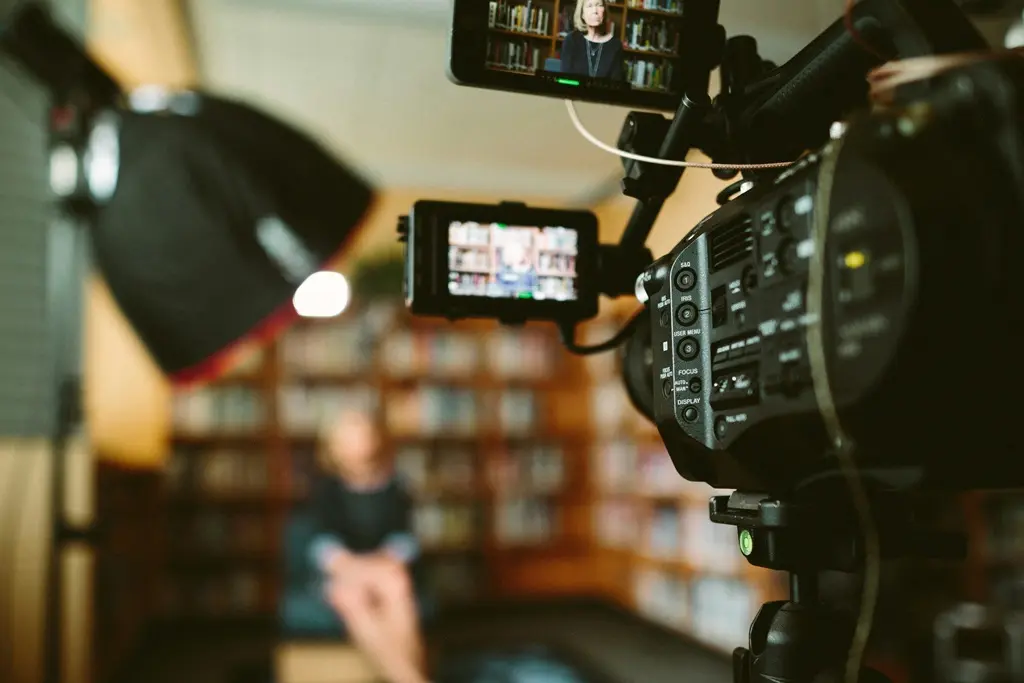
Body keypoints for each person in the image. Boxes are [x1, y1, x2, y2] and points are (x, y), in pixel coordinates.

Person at [307, 406, 430, 683]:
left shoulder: (395, 485)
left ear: (374, 438)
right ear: (333, 446)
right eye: (347, 436)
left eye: (361, 433)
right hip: (345, 571)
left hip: (385, 567)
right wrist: (352, 566)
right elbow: (322, 542)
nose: (356, 442)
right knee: (351, 597)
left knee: (396, 586)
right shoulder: (326, 488)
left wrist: (382, 562)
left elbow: (405, 538)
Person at [559, 0, 625, 81]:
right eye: (589, 6)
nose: (595, 11)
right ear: (582, 14)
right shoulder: (571, 40)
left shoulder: (615, 45)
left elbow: (616, 85)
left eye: (599, 5)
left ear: (604, 11)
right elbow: (565, 80)